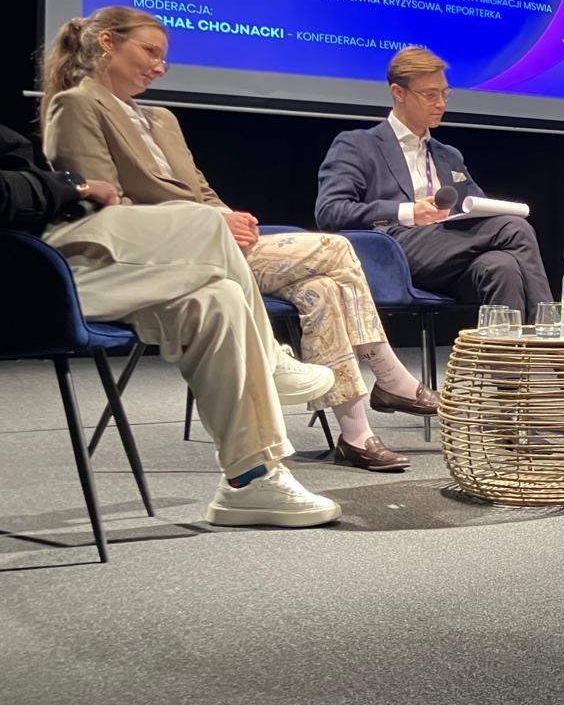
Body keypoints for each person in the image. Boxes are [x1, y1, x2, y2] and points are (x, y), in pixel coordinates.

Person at [41, 7, 435, 475]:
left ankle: (356, 435)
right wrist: (206, 223)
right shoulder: (77, 106)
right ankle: (389, 376)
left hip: (216, 241)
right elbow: (104, 207)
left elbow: (201, 190)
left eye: (164, 58)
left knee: (323, 289)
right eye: (150, 52)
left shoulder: (162, 119)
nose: (159, 67)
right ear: (108, 43)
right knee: (336, 248)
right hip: (160, 254)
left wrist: (230, 217)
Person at [1, 121, 342, 527]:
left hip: (53, 254)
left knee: (221, 299)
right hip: (30, 275)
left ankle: (250, 479)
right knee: (207, 225)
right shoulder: (76, 107)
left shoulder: (157, 117)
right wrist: (74, 185)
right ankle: (270, 361)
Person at [315, 46, 554, 318]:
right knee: (514, 227)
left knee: (503, 267)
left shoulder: (448, 156)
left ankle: (507, 347)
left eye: (444, 93)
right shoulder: (358, 145)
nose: (441, 103)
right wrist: (409, 211)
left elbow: (482, 212)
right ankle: (548, 328)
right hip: (393, 251)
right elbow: (330, 212)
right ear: (398, 93)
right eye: (430, 95)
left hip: (446, 254)